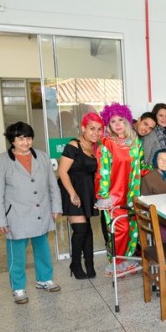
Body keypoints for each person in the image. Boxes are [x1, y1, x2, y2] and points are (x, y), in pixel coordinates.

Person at [0, 121, 62, 304]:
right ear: (12, 140)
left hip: (41, 212)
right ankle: (18, 288)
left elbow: (53, 185)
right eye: (20, 139)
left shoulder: (43, 157)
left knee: (43, 249)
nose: (25, 142)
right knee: (17, 255)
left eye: (28, 138)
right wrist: (0, 220)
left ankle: (44, 279)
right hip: (16, 216)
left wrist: (56, 207)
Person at [96, 103, 144, 276]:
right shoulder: (107, 144)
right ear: (108, 124)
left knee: (131, 228)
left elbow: (140, 166)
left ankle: (125, 260)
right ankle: (116, 262)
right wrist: (104, 195)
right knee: (119, 229)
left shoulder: (135, 142)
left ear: (127, 122)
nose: (117, 124)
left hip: (131, 194)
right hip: (114, 196)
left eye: (121, 120)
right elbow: (103, 170)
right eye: (113, 121)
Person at [58, 113, 104, 280]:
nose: (96, 133)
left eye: (99, 129)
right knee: (80, 230)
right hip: (72, 191)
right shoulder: (73, 146)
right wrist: (72, 194)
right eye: (92, 129)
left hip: (87, 192)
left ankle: (89, 264)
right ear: (83, 128)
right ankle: (75, 264)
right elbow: (62, 171)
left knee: (88, 230)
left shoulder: (95, 147)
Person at [143, 103, 166, 168]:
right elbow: (145, 160)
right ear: (155, 117)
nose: (164, 118)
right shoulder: (151, 134)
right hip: (154, 174)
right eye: (161, 115)